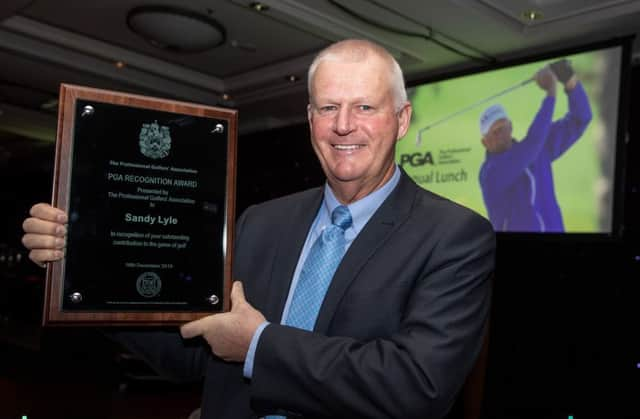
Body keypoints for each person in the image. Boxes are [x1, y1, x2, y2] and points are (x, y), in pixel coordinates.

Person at [22, 39, 495, 419]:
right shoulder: (261, 221)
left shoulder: (455, 235)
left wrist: (259, 345)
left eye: (365, 107)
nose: (344, 126)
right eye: (328, 108)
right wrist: (79, 269)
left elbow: (418, 386)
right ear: (310, 121)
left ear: (402, 119)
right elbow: (192, 353)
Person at [478, 59, 592, 232]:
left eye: (502, 128)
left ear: (511, 127)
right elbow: (530, 147)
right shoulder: (490, 173)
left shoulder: (538, 149)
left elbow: (580, 118)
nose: (499, 135)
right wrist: (550, 94)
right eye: (493, 132)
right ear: (484, 142)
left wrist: (569, 80)